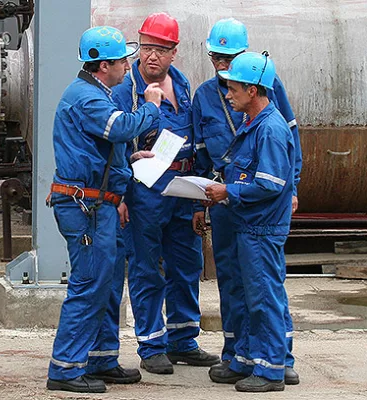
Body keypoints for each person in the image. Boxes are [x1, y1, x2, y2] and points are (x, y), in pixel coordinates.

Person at [46, 25, 165, 393]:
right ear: (102, 66)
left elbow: (101, 148)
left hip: (100, 205)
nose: (128, 66)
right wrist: (152, 105)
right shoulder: (88, 98)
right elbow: (121, 127)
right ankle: (65, 369)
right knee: (89, 284)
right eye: (122, 61)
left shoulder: (95, 93)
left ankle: (100, 357)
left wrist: (130, 159)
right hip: (87, 208)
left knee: (109, 284)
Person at [191, 18, 301, 386]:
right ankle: (242, 356)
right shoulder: (246, 115)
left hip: (256, 219)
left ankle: (273, 365)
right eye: (216, 57)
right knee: (242, 288)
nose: (227, 90)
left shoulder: (268, 125)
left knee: (264, 293)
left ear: (253, 89)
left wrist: (231, 192)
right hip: (239, 215)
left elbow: (270, 181)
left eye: (234, 86)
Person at [111, 12, 219, 375]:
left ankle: (183, 340)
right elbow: (114, 145)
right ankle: (152, 345)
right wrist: (122, 195)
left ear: (174, 52)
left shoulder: (183, 83)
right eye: (145, 48)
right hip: (145, 190)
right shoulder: (125, 90)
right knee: (145, 267)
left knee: (187, 264)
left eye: (159, 49)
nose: (150, 56)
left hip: (183, 187)